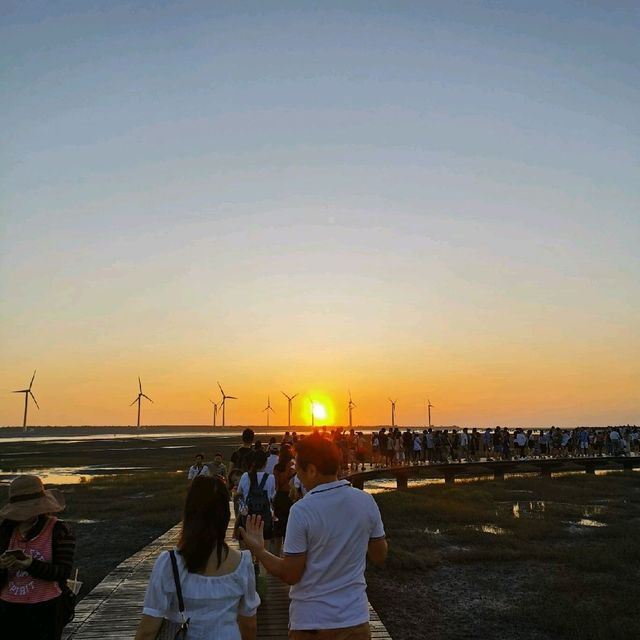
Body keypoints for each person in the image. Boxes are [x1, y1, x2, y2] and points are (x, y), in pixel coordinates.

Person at [240, 434, 387, 640]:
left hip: (311, 624)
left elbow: (291, 574)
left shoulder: (302, 510)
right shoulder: (365, 501)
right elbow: (379, 555)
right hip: (355, 621)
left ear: (312, 470)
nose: (296, 476)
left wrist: (260, 550)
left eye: (298, 470)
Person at [135, 476, 259, 640]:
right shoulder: (242, 562)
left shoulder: (170, 563)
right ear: (226, 515)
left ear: (189, 513)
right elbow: (249, 625)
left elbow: (147, 631)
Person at [0, 475, 76, 640]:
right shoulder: (4, 532)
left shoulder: (59, 530)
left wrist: (31, 565)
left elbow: (62, 572)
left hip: (47, 610)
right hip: (8, 611)